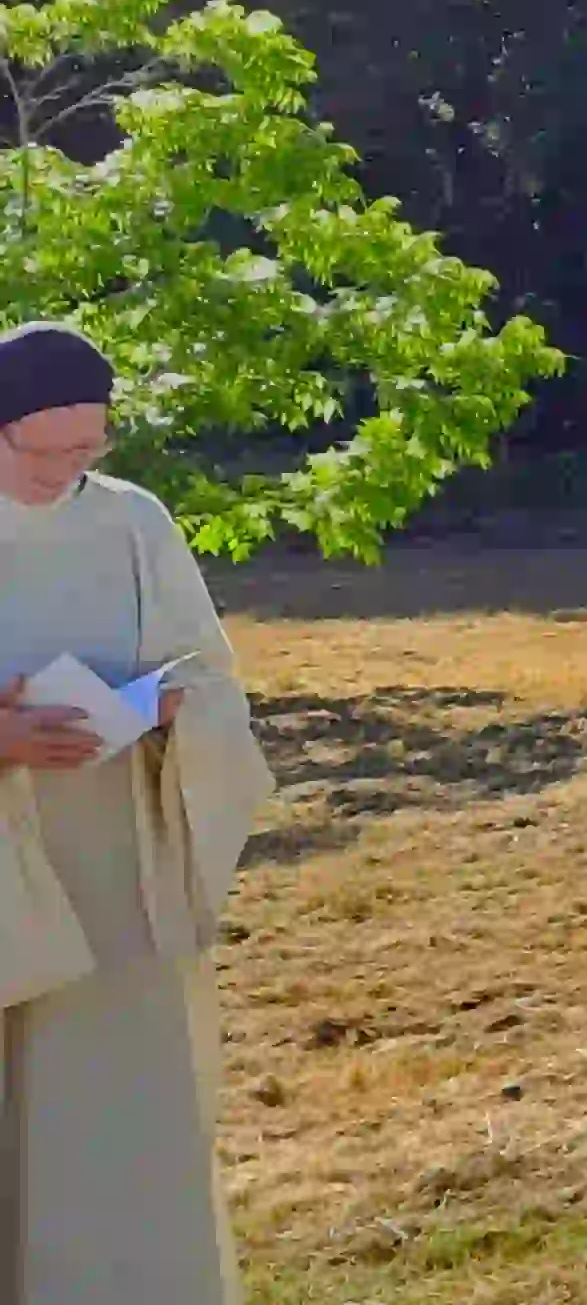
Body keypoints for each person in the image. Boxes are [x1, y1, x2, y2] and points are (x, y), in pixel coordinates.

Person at [0, 322, 274, 1305]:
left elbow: (209, 676)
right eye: (42, 453)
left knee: (112, 1103)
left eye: (88, 449)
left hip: (119, 855)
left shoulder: (134, 522)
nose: (64, 472)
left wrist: (158, 705)